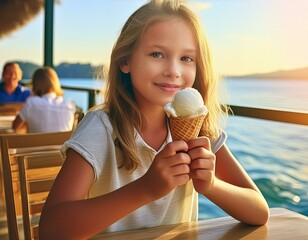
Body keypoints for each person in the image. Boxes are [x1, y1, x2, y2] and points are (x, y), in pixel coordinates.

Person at [39, 0, 269, 238]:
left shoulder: (201, 133)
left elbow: (260, 212)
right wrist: (145, 189)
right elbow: (50, 231)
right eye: (157, 54)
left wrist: (211, 186)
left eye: (187, 58)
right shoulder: (101, 128)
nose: (173, 70)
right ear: (125, 61)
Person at [12, 66, 76, 133]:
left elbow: (15, 126)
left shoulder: (31, 103)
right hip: (62, 143)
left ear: (35, 84)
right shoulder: (69, 104)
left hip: (36, 143)